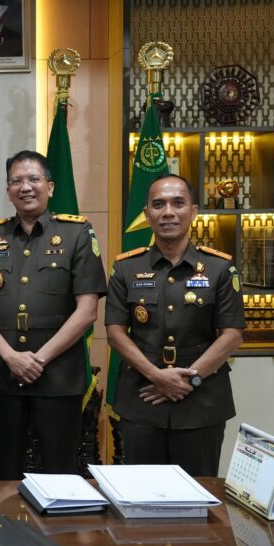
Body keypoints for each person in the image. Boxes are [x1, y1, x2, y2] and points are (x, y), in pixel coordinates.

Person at [0, 150, 107, 480]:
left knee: (60, 472)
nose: (25, 187)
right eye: (17, 181)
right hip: (5, 373)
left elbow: (87, 311)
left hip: (59, 374)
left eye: (34, 179)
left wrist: (38, 360)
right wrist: (11, 357)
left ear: (50, 187)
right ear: (8, 190)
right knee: (7, 470)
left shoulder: (77, 234)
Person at [105, 174, 244, 477]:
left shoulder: (220, 268)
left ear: (193, 211)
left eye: (178, 203)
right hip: (143, 397)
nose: (168, 212)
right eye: (158, 204)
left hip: (201, 400)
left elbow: (232, 335)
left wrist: (188, 380)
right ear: (147, 214)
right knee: (141, 492)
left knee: (198, 491)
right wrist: (157, 376)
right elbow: (115, 333)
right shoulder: (126, 267)